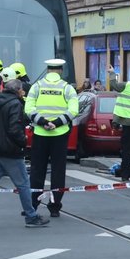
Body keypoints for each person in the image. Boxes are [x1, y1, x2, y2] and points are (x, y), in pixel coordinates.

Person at [0, 75, 49, 228]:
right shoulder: (15, 104)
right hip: (11, 151)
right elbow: (14, 128)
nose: (23, 93)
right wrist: (23, 141)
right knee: (24, 184)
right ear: (18, 90)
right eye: (21, 90)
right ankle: (31, 216)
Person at [25, 59, 78, 217]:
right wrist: (56, 123)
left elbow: (28, 108)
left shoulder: (37, 86)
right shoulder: (67, 88)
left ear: (48, 70)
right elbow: (73, 110)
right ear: (60, 70)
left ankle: (33, 204)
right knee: (58, 171)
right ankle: (54, 206)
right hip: (60, 134)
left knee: (37, 170)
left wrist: (43, 122)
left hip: (40, 133)